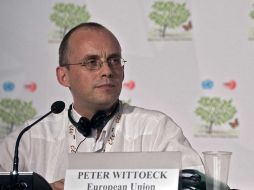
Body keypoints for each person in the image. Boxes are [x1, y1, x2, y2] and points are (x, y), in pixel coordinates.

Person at [0, 22, 203, 190]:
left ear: (122, 72)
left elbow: (198, 184)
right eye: (91, 62)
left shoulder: (156, 129)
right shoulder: (28, 138)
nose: (106, 70)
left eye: (114, 60)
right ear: (63, 76)